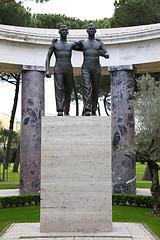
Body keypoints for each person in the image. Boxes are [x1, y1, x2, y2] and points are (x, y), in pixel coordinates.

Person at [77, 23, 109, 116]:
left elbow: (107, 54)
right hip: (86, 67)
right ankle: (87, 108)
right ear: (87, 31)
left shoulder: (99, 43)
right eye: (89, 29)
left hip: (96, 68)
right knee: (86, 87)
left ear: (95, 31)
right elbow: (70, 46)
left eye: (93, 29)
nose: (91, 30)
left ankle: (94, 109)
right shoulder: (83, 42)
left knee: (95, 89)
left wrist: (100, 53)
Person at [45, 25, 77, 116]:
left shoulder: (71, 44)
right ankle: (59, 109)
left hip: (68, 67)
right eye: (62, 30)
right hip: (58, 67)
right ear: (59, 32)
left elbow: (84, 47)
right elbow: (48, 57)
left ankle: (66, 109)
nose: (63, 31)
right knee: (59, 88)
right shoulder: (54, 44)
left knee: (68, 89)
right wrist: (47, 70)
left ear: (68, 32)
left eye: (65, 30)